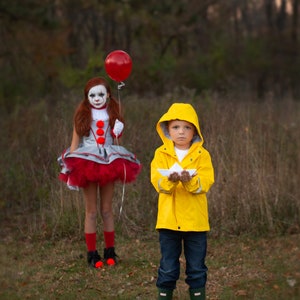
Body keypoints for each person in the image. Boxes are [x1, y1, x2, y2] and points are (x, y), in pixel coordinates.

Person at [58, 77, 141, 268]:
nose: (97, 98)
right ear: (87, 97)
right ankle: (92, 253)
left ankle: (110, 251)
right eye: (92, 95)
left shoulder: (113, 113)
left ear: (109, 95)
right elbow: (74, 144)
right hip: (87, 161)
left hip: (109, 162)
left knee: (106, 209)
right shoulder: (83, 116)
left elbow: (116, 139)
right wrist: (69, 168)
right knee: (92, 211)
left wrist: (118, 130)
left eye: (101, 94)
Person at [150, 103, 214, 299]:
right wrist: (170, 181)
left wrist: (191, 182)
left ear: (194, 130)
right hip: (169, 221)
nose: (181, 132)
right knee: (168, 267)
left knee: (196, 268)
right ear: (167, 129)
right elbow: (157, 182)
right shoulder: (161, 154)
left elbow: (206, 182)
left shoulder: (203, 155)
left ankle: (198, 295)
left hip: (196, 222)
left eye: (187, 127)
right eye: (176, 127)